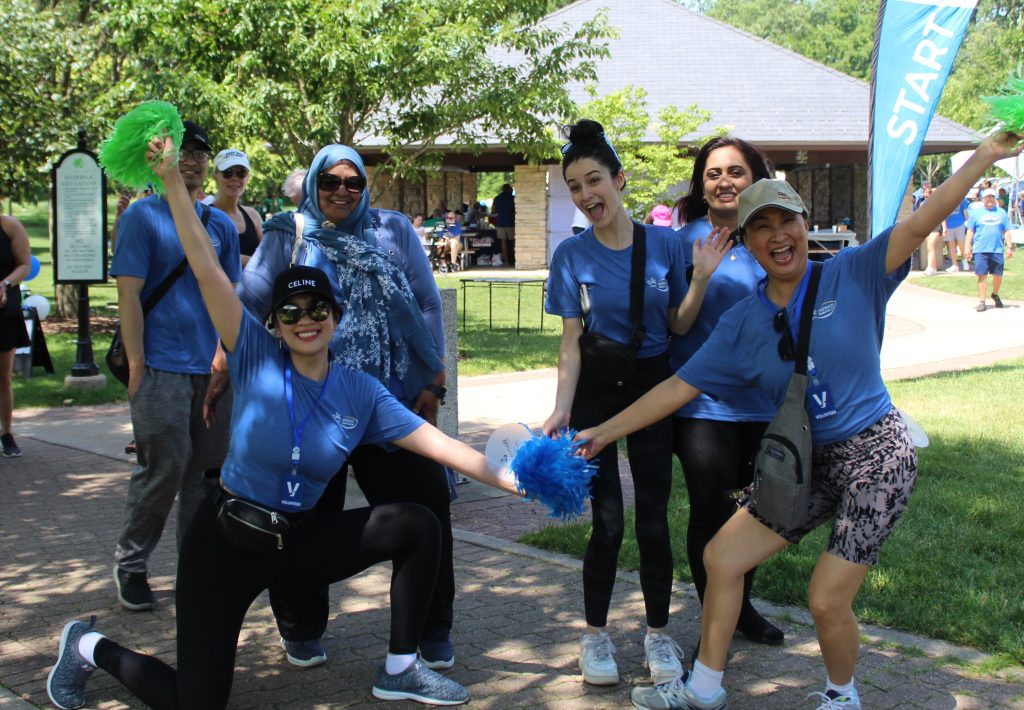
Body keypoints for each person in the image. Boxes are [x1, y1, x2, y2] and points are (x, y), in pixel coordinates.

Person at [45, 134, 520, 710]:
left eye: (318, 309)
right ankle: (89, 646)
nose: (305, 320)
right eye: (291, 311)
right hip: (226, 545)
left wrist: (524, 480)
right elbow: (202, 265)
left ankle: (401, 668)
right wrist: (172, 179)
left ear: (336, 317)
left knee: (420, 521)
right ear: (276, 320)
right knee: (198, 703)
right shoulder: (253, 353)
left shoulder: (361, 392)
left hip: (299, 542)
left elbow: (447, 450)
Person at [576, 130, 1022, 710]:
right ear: (747, 240)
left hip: (877, 455)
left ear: (803, 223)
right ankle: (704, 689)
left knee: (826, 599)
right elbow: (676, 388)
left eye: (785, 221)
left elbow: (919, 224)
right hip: (805, 462)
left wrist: (984, 156)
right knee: (720, 557)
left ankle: (843, 696)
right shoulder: (743, 320)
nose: (776, 236)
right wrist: (603, 432)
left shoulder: (851, 273)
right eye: (760, 227)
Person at [238, 144, 457, 671]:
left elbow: (426, 302)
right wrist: (242, 373)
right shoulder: (286, 234)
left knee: (427, 505)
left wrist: (433, 378)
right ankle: (301, 627)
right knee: (303, 516)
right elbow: (249, 303)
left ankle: (432, 628)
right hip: (311, 408)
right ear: (314, 184)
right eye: (330, 182)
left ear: (364, 186)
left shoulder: (393, 230)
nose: (341, 191)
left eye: (352, 182)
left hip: (386, 400)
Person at [543, 120, 729, 688]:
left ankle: (656, 634)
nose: (585, 195)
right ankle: (594, 636)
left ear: (619, 180)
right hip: (597, 389)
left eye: (594, 180)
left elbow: (677, 323)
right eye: (574, 186)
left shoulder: (667, 245)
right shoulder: (570, 256)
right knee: (607, 524)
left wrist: (698, 280)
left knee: (652, 520)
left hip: (652, 387)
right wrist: (561, 409)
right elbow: (572, 342)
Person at [109, 120, 240, 612]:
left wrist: (224, 356)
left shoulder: (221, 227)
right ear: (161, 157)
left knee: (206, 478)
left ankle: (197, 569)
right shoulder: (142, 218)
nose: (191, 158)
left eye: (200, 151)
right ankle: (132, 564)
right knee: (162, 469)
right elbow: (129, 295)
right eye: (182, 149)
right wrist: (137, 362)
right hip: (160, 368)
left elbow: (230, 296)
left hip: (211, 373)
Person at [669, 137, 783, 654]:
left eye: (735, 172)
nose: (723, 181)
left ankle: (741, 611)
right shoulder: (682, 241)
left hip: (767, 407)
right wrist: (700, 278)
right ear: (701, 184)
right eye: (713, 173)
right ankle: (714, 624)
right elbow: (676, 325)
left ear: (755, 179)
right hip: (703, 406)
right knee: (710, 513)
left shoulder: (773, 237)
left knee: (754, 515)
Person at [0, 213, 31, 458]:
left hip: (3, 311)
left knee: (3, 378)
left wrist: (5, 284)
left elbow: (24, 265)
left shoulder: (9, 225)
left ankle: (6, 433)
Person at [211, 149, 263, 266]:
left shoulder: (253, 216)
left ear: (247, 177)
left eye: (241, 173)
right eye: (227, 173)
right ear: (215, 177)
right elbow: (208, 256)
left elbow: (268, 255)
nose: (234, 178)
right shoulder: (204, 215)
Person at [965, 187, 1014, 312]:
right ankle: (982, 301)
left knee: (998, 275)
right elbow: (970, 231)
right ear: (983, 199)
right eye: (987, 197)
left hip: (997, 249)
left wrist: (1009, 247)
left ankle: (995, 294)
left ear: (995, 198)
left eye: (992, 197)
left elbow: (1007, 230)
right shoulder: (976, 214)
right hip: (980, 249)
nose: (989, 199)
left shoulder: (1001, 213)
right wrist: (967, 247)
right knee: (982, 275)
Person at [941, 196, 970, 273]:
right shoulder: (945, 200)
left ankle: (964, 260)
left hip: (960, 223)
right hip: (949, 224)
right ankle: (955, 265)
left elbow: (965, 211)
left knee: (961, 244)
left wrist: (968, 221)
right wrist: (944, 227)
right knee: (951, 245)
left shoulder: (961, 199)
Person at [492, 183, 515, 266]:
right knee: (513, 243)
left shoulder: (497, 198)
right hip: (511, 223)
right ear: (509, 189)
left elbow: (493, 211)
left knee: (503, 243)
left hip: (500, 223)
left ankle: (506, 262)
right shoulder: (513, 198)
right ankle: (515, 260)